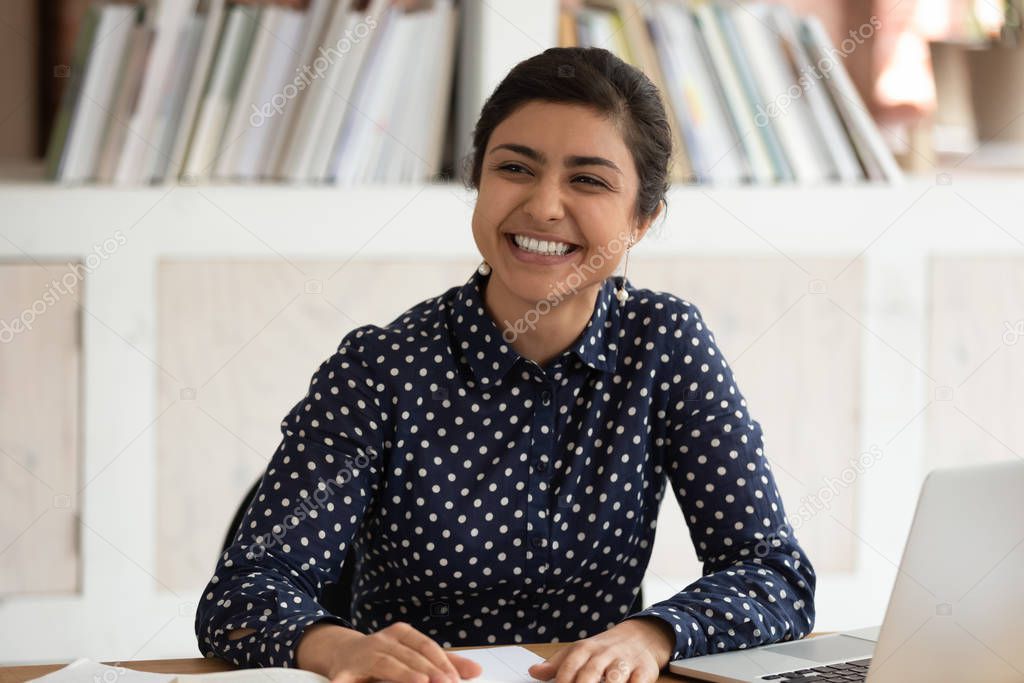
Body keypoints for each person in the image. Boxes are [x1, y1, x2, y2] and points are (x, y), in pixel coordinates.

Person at [195, 46, 816, 683]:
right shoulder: (380, 368)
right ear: (478, 182)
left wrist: (651, 634)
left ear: (642, 219)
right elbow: (241, 594)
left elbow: (773, 574)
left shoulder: (664, 344)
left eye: (588, 179)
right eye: (515, 168)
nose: (545, 205)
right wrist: (339, 646)